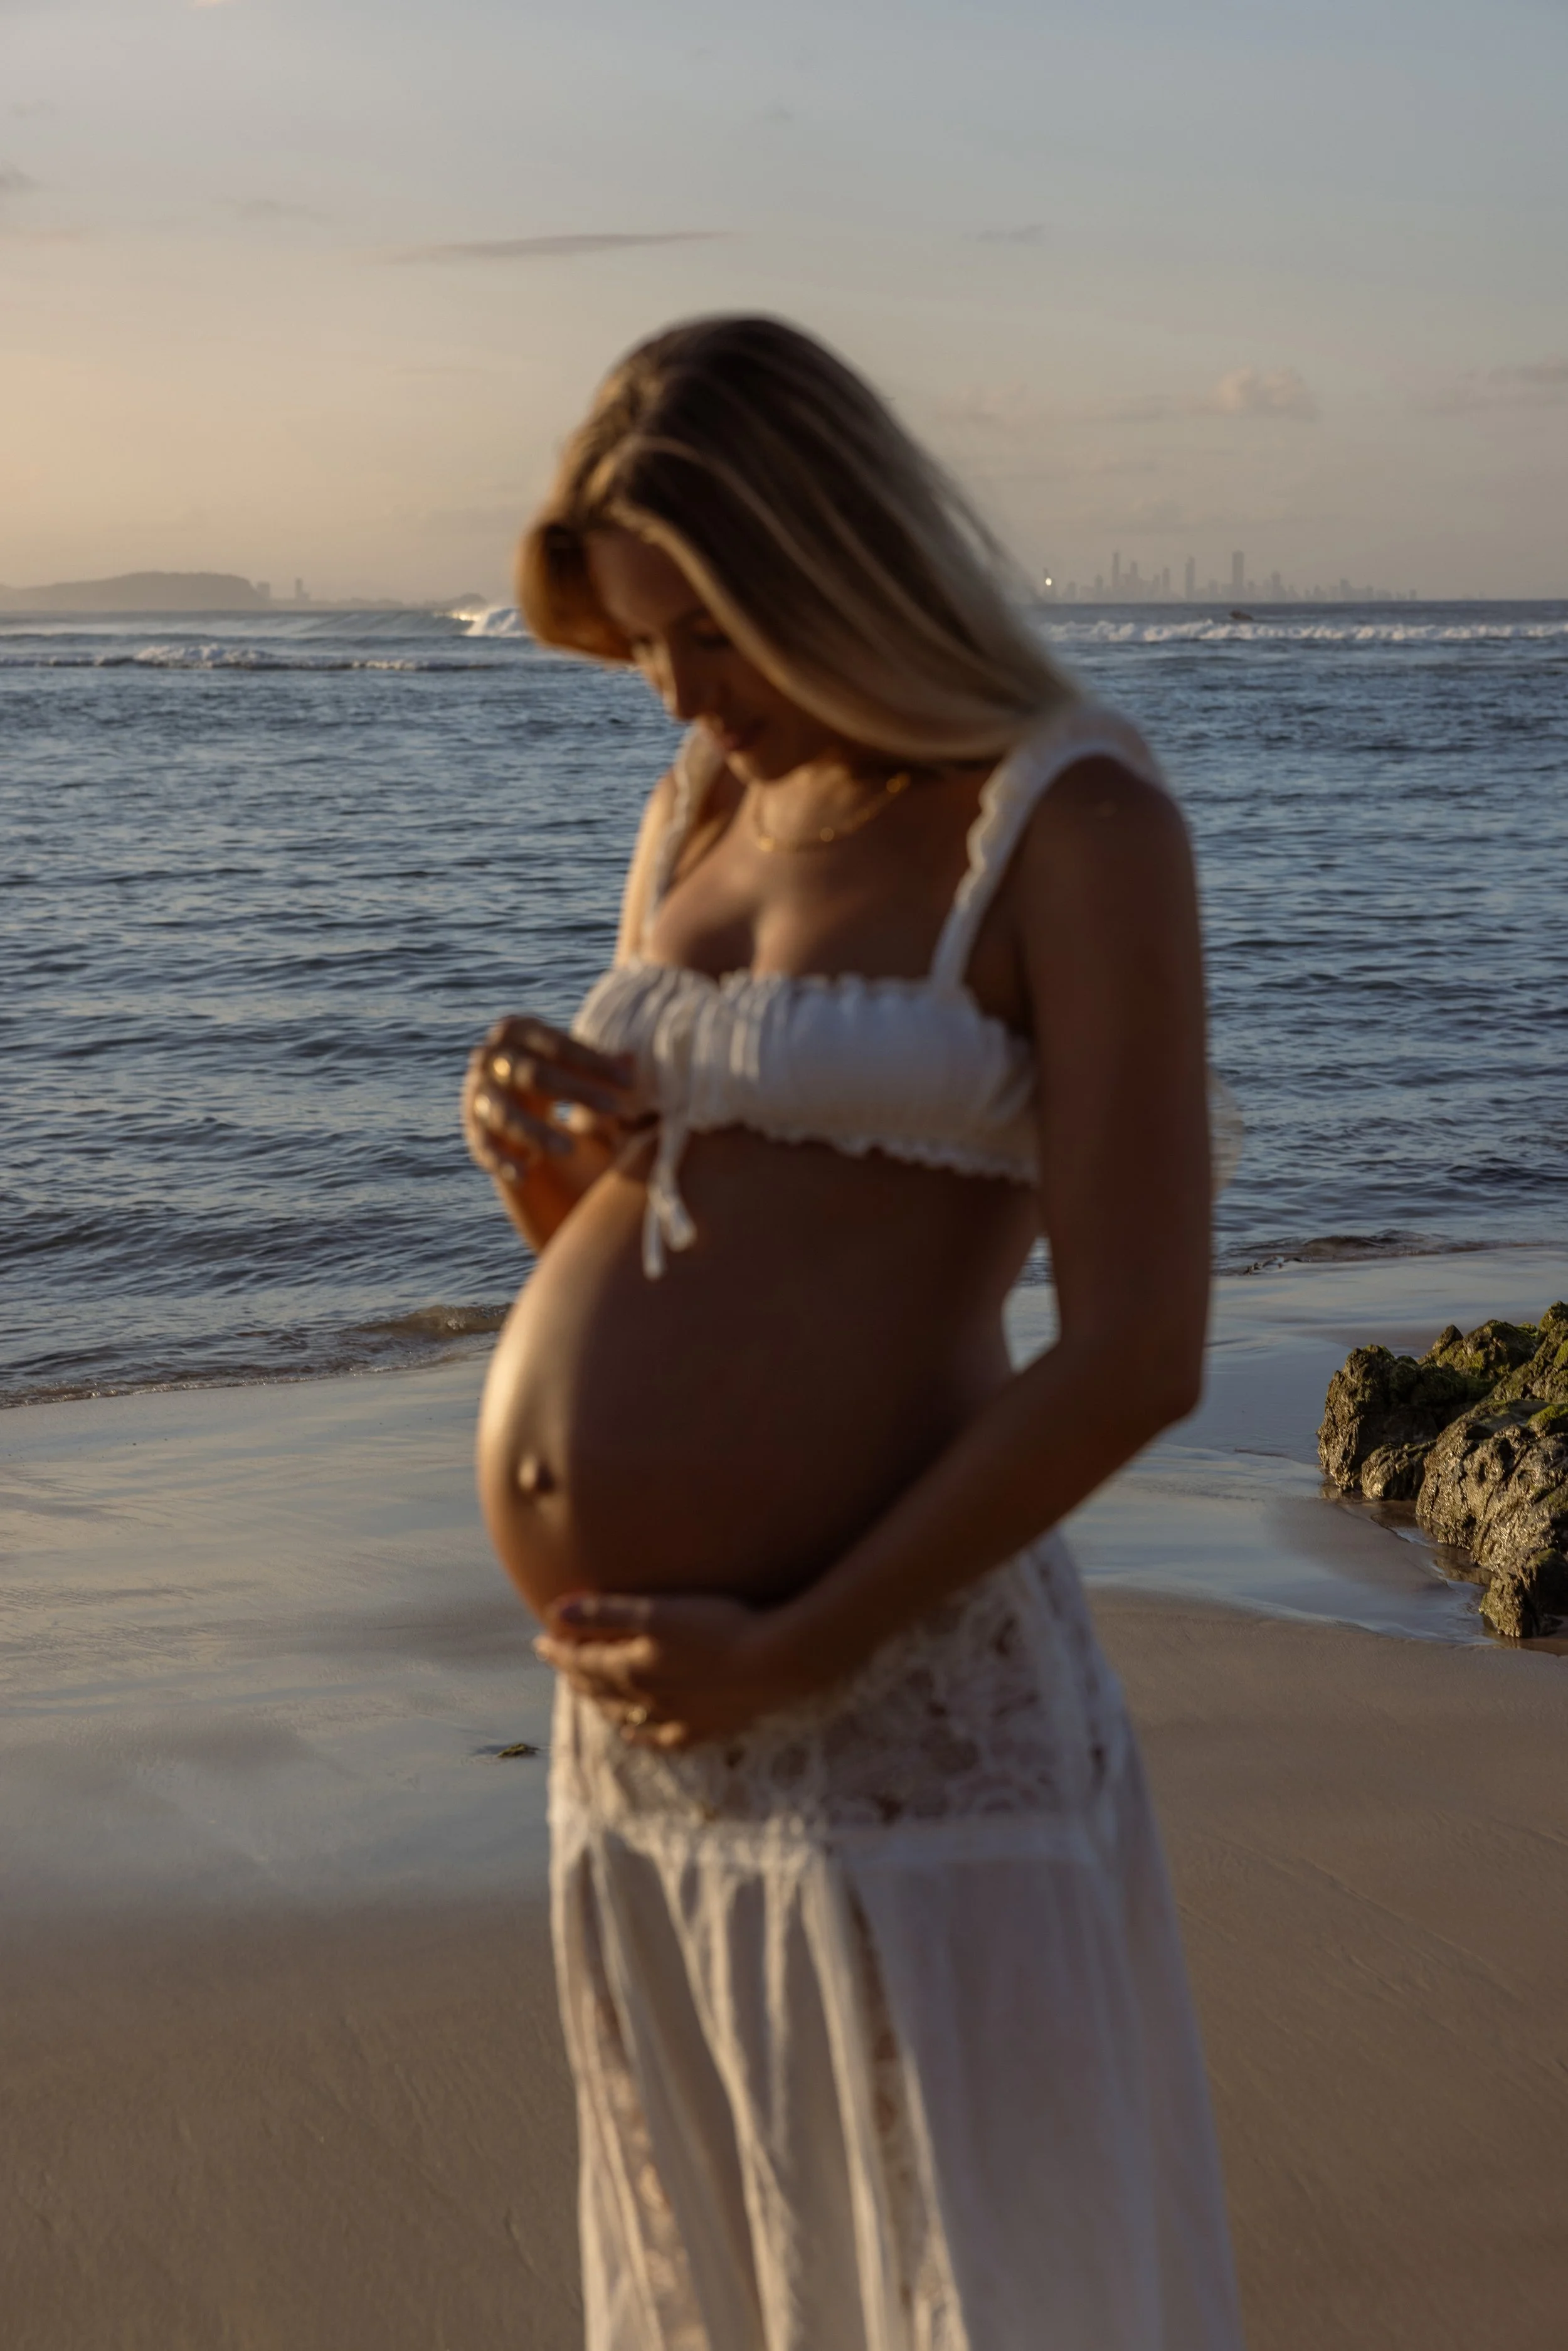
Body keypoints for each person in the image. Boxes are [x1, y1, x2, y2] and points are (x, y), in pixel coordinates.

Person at [463, 315, 1244, 2350]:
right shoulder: (703, 802)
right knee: (731, 2274)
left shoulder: (1070, 822)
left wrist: (796, 1642)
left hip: (902, 1693)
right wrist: (556, 1180)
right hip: (647, 1727)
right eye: (642, 642)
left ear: (834, 554)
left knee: (977, 2282)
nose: (674, 689)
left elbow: (1139, 1345)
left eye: (706, 630)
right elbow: (728, 1248)